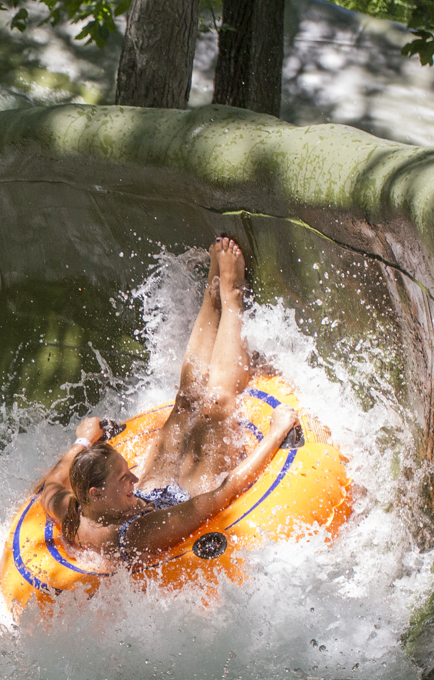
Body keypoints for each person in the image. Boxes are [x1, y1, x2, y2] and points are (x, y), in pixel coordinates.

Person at [30, 236, 302, 567]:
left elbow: (48, 488)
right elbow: (220, 496)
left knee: (185, 403)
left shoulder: (75, 515)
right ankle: (231, 297)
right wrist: (276, 433)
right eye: (122, 477)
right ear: (97, 494)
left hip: (151, 496)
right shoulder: (136, 535)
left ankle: (212, 296)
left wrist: (82, 440)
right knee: (217, 406)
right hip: (185, 496)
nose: (132, 475)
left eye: (125, 470)